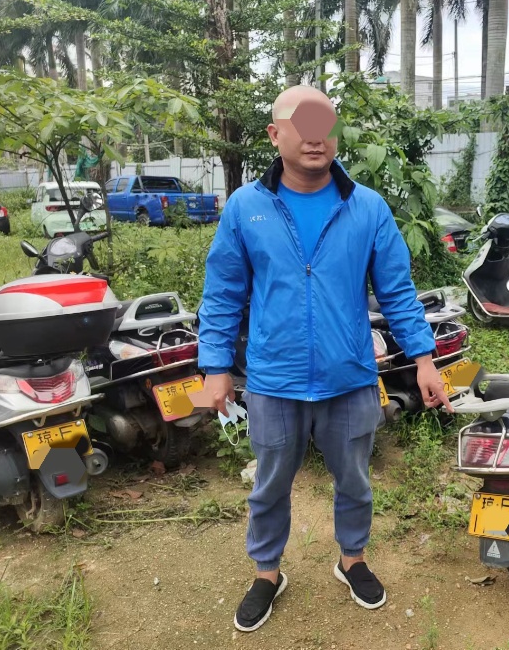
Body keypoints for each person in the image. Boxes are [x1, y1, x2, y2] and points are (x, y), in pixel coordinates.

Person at [196, 85, 454, 633]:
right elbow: (222, 294)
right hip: (274, 380)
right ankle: (267, 573)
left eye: (326, 124)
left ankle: (352, 559)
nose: (316, 137)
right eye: (302, 123)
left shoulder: (367, 208)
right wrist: (215, 367)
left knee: (355, 480)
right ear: (275, 134)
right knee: (269, 484)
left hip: (349, 377)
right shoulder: (246, 207)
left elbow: (397, 292)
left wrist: (425, 359)